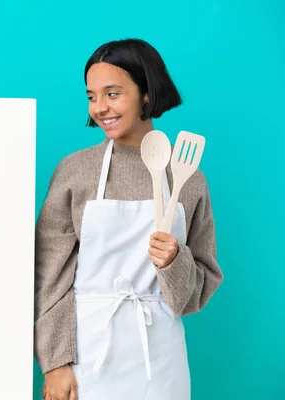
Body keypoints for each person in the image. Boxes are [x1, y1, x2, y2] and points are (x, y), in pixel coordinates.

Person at [34, 38, 224, 400]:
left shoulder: (187, 178)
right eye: (92, 97)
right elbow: (49, 276)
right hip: (86, 353)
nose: (100, 108)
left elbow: (196, 292)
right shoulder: (76, 171)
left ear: (147, 95)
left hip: (160, 355)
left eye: (113, 93)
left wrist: (174, 261)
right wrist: (55, 363)